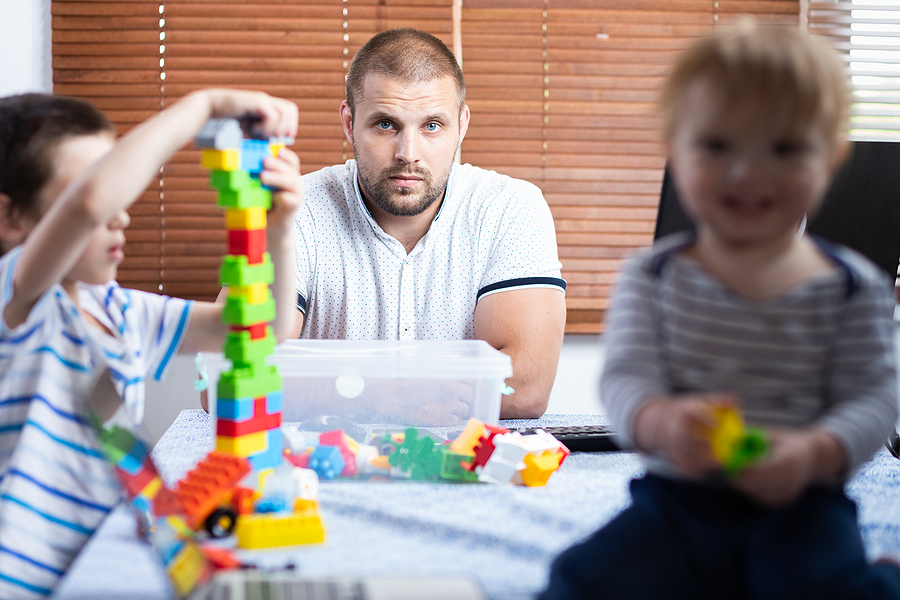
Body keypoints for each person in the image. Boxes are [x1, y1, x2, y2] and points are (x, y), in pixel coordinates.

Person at [541, 20, 900, 600]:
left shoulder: (853, 287)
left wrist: (815, 452)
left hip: (801, 505)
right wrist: (661, 421)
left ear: (830, 158)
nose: (746, 171)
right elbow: (627, 379)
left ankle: (884, 578)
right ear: (675, 151)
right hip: (682, 503)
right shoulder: (652, 276)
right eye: (717, 146)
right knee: (578, 581)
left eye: (783, 148)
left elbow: (875, 401)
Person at [0, 88, 301, 598]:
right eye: (90, 189)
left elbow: (261, 327)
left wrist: (280, 231)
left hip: (92, 567)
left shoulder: (120, 311)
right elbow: (92, 204)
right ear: (11, 219)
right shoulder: (16, 300)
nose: (120, 214)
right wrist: (204, 106)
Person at [290, 28, 567, 420]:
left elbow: (525, 386)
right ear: (350, 123)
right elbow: (235, 381)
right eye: (386, 124)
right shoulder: (296, 210)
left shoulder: (511, 208)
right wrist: (375, 396)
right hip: (319, 468)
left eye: (432, 126)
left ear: (462, 124)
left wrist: (350, 392)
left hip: (464, 470)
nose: (409, 154)